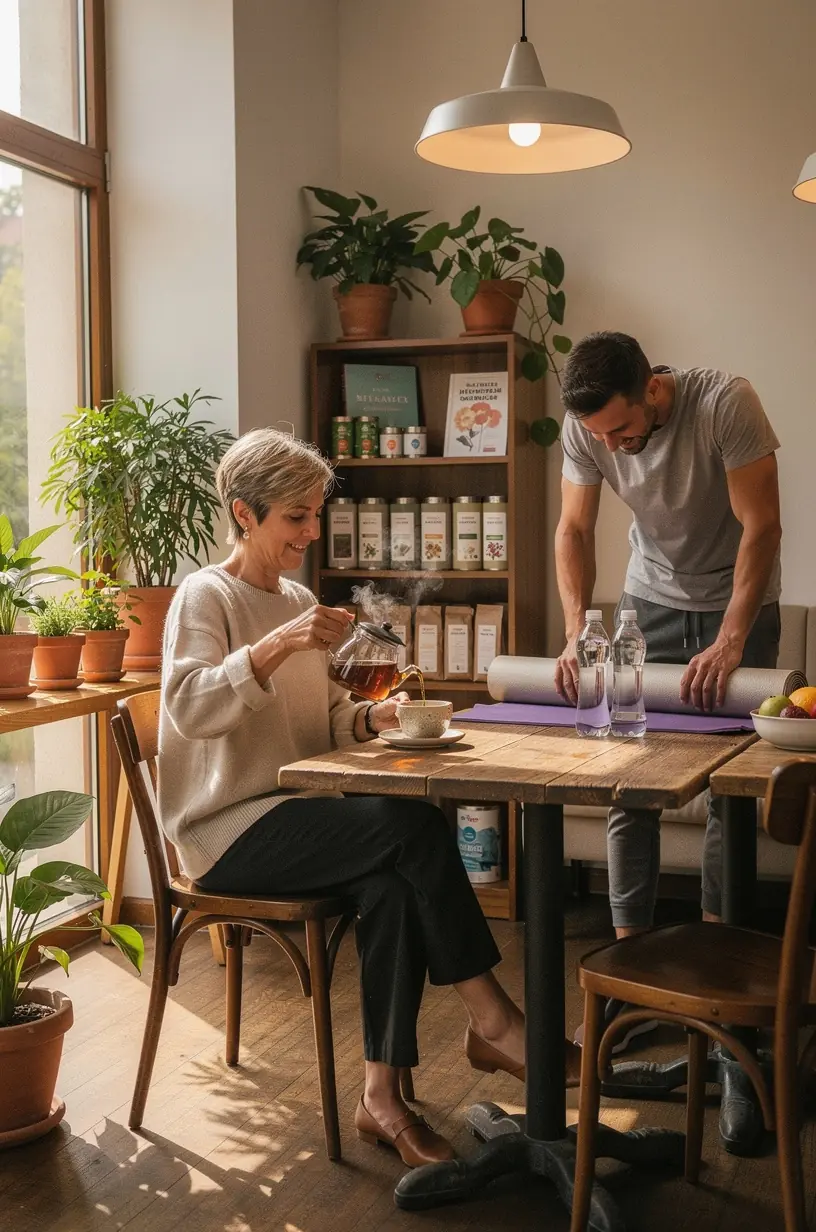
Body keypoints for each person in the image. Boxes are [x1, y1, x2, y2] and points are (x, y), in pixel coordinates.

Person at [158, 428, 582, 1168]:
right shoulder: (208, 594)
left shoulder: (294, 597)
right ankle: (495, 1020)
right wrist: (281, 644)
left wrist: (372, 718)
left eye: (317, 513)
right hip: (225, 831)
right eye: (297, 516)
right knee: (410, 824)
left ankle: (380, 1099)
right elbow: (190, 708)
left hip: (291, 812)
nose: (312, 531)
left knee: (391, 883)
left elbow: (320, 723)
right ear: (244, 514)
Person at [554, 331, 782, 1153]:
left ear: (655, 389)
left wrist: (729, 640)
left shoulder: (727, 402)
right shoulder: (588, 425)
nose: (613, 449)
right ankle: (633, 985)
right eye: (602, 438)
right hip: (649, 597)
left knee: (728, 794)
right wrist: (579, 629)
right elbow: (574, 532)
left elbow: (763, 526)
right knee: (629, 779)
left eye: (623, 431)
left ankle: (723, 1006)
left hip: (735, 605)